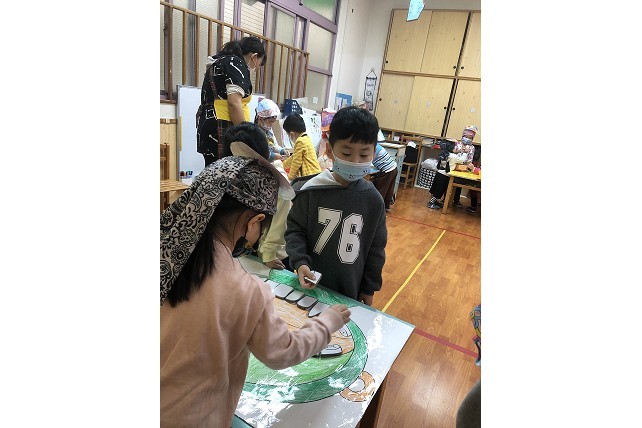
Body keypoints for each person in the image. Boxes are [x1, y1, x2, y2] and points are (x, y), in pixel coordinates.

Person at [160, 144, 351, 427]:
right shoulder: (247, 290)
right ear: (255, 221)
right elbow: (282, 352)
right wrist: (326, 322)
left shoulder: (165, 250)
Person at [285, 106, 387, 306]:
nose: (355, 161)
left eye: (364, 155)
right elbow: (295, 231)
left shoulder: (374, 201)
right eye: (347, 153)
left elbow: (376, 250)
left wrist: (369, 288)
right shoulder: (311, 190)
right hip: (309, 285)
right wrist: (300, 261)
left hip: (348, 290)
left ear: (374, 154)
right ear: (330, 151)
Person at [222, 122, 292, 270]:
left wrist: (268, 254)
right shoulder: (227, 176)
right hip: (237, 247)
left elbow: (278, 225)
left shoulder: (276, 183)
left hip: (268, 250)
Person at [196, 36, 266, 167]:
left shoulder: (219, 62)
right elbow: (234, 103)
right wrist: (245, 135)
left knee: (213, 170)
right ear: (254, 56)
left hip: (208, 123)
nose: (256, 68)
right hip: (222, 125)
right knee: (225, 172)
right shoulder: (235, 63)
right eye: (258, 64)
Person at [281, 113, 322, 181]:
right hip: (315, 174)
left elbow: (296, 163)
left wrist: (289, 178)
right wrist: (282, 165)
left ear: (292, 134)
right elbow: (294, 157)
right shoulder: (306, 138)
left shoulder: (300, 141)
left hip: (309, 176)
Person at [370, 133, 398, 212]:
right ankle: (386, 206)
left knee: (381, 190)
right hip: (394, 168)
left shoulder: (372, 148)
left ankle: (376, 209)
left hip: (387, 171)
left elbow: (367, 161)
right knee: (389, 190)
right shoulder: (377, 146)